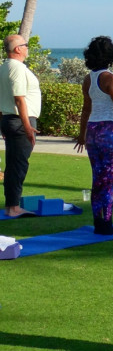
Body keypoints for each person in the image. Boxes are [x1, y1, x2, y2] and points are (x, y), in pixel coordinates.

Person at [74, 36, 113, 235]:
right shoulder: (110, 79)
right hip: (111, 131)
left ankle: (98, 222)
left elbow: (86, 109)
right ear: (111, 56)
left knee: (98, 178)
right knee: (108, 179)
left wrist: (82, 135)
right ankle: (106, 224)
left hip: (93, 130)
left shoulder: (88, 79)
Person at [0, 34, 41, 218]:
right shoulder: (16, 68)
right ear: (17, 49)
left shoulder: (4, 67)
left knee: (14, 165)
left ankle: (11, 205)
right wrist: (27, 126)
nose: (27, 48)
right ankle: (13, 207)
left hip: (11, 120)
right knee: (18, 165)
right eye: (25, 45)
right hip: (19, 121)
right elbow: (19, 99)